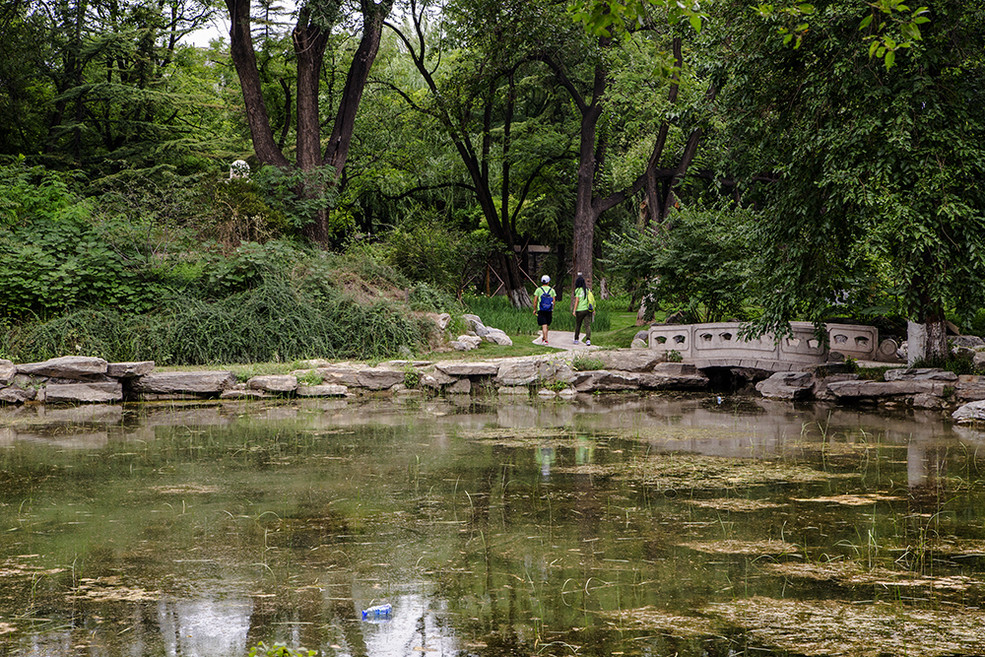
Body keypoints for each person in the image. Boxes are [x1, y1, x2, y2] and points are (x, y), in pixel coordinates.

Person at [532, 274, 556, 345]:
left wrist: (534, 309)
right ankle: (545, 338)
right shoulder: (552, 290)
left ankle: (545, 340)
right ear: (548, 282)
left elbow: (535, 300)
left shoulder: (538, 290)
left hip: (541, 309)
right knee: (546, 325)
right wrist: (552, 309)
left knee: (544, 325)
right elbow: (553, 301)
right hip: (549, 309)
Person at [572, 274, 595, 345]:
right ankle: (588, 339)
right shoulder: (587, 290)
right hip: (587, 310)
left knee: (578, 325)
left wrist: (574, 310)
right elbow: (591, 300)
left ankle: (576, 339)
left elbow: (577, 301)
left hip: (579, 310)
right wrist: (593, 309)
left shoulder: (577, 290)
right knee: (587, 325)